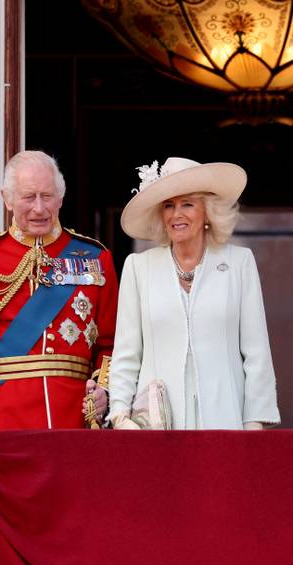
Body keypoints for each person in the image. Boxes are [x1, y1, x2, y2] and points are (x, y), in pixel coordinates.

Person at [0, 150, 119, 431]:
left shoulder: (95, 258)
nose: (39, 208)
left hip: (73, 419)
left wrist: (103, 393)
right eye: (28, 197)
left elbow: (110, 343)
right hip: (1, 419)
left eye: (47, 196)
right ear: (7, 199)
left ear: (60, 198)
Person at [109, 157, 279, 430]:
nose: (176, 214)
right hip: (156, 428)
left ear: (207, 212)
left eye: (187, 204)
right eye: (169, 205)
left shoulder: (239, 262)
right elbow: (127, 353)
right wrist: (120, 416)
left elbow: (256, 352)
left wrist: (254, 424)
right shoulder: (139, 267)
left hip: (225, 422)